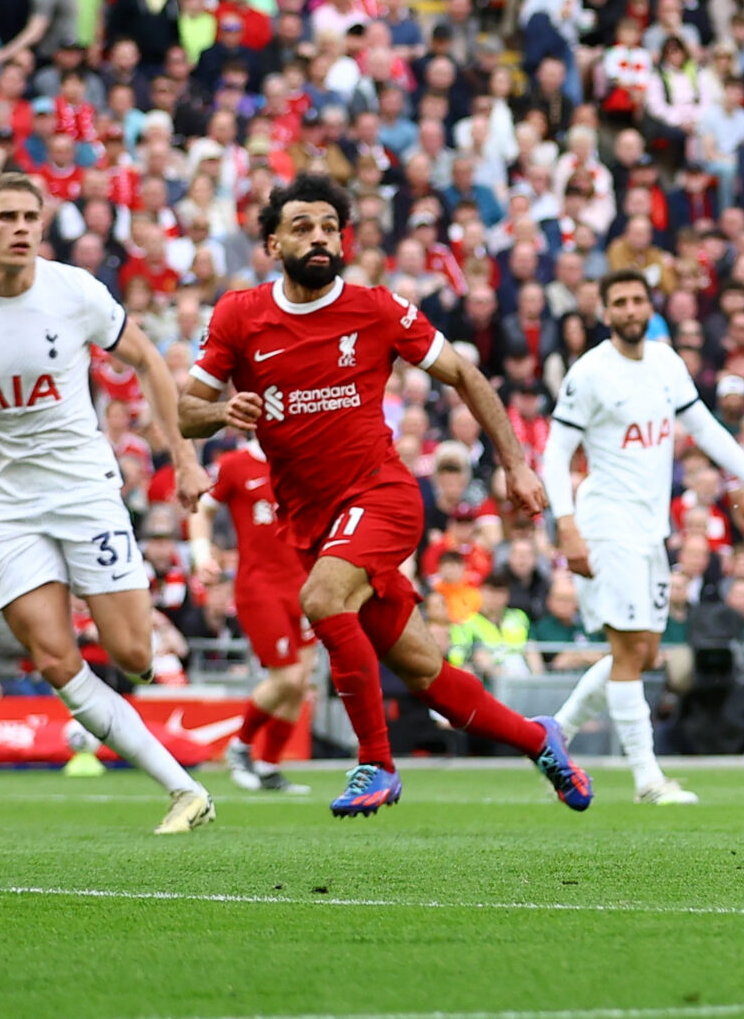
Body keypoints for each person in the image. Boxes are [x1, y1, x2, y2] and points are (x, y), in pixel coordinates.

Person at [180, 174, 593, 818]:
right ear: (271, 244)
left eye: (328, 228)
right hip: (316, 521)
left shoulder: (377, 309)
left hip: (383, 496)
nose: (318, 238)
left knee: (320, 598)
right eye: (302, 228)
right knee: (431, 679)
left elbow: (463, 373)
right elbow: (185, 412)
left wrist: (516, 465)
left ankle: (375, 763)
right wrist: (222, 412)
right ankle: (541, 738)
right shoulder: (240, 314)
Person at [0, 171, 214, 834]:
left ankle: (121, 699)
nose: (22, 227)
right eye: (8, 216)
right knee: (53, 658)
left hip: (82, 488)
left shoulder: (76, 292)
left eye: (31, 216)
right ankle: (184, 790)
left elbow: (151, 363)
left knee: (133, 652)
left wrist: (184, 458)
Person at [545, 268, 744, 805]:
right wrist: (565, 521)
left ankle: (553, 736)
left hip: (650, 527)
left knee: (643, 651)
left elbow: (704, 425)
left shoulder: (666, 361)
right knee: (626, 648)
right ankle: (647, 781)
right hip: (606, 522)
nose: (630, 310)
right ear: (605, 312)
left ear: (650, 306)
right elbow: (554, 452)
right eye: (618, 302)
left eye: (638, 300)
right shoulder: (590, 372)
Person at [197, 440, 313, 793]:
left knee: (301, 682)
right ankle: (241, 745)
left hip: (305, 584)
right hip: (260, 585)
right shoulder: (235, 464)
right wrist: (201, 554)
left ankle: (268, 767)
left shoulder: (305, 458)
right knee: (288, 677)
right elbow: (201, 510)